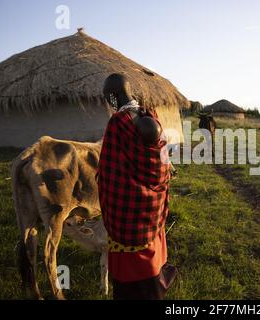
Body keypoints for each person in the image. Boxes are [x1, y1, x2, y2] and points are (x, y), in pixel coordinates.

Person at [97, 73, 177, 300]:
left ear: (113, 96)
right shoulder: (150, 115)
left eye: (108, 97)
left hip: (127, 218)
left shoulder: (118, 124)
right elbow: (161, 163)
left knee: (130, 290)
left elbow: (109, 173)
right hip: (152, 216)